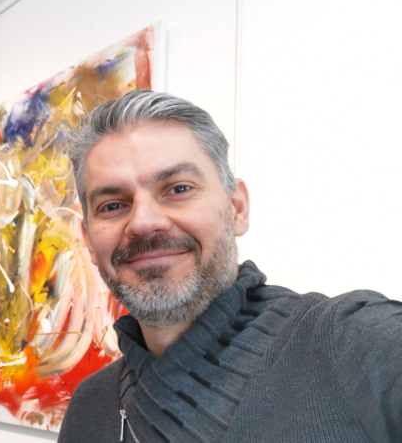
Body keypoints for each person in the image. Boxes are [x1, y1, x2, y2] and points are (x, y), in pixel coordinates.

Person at [57, 89, 402, 442]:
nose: (144, 222)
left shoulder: (355, 345)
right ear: (88, 240)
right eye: (112, 206)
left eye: (178, 189)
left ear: (237, 209)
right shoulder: (90, 406)